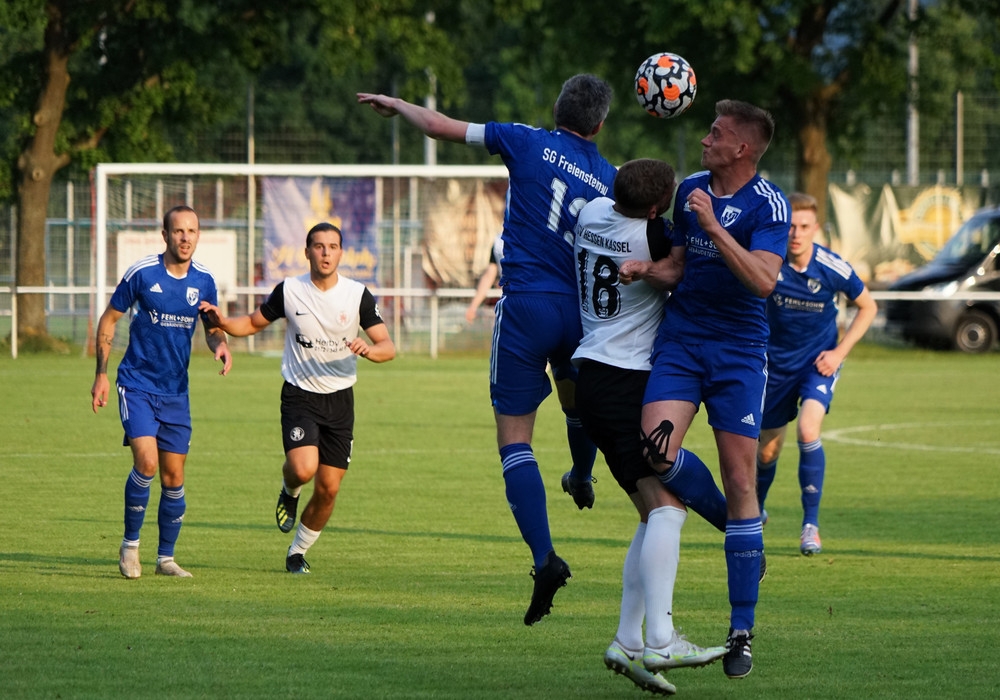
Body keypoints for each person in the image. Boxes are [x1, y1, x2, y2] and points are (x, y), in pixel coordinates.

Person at [359, 74, 616, 625]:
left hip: (525, 308)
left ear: (557, 109)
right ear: (599, 126)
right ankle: (582, 474)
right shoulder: (611, 178)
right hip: (580, 314)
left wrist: (398, 103)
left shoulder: (526, 139)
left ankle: (545, 558)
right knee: (577, 406)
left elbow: (438, 126)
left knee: (515, 441)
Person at [620, 99, 790, 679]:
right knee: (655, 449)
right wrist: (647, 272)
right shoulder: (691, 189)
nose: (704, 139)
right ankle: (736, 528)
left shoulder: (768, 204)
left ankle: (741, 630)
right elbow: (678, 267)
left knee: (742, 478)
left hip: (739, 353)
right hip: (683, 340)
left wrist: (715, 226)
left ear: (742, 148)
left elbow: (764, 281)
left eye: (716, 133)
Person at [573, 159, 727, 695]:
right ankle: (661, 639)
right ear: (659, 207)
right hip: (626, 380)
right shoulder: (654, 237)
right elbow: (680, 270)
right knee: (668, 508)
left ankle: (627, 640)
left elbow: (626, 194)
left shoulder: (591, 211)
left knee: (649, 513)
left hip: (591, 375)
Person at [199, 222, 395, 574]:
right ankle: (289, 489)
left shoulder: (357, 295)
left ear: (341, 253)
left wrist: (369, 349)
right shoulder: (290, 290)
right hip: (300, 395)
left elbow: (387, 346)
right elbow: (253, 323)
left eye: (332, 246)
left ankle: (297, 552)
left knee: (329, 489)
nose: (325, 253)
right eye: (318, 246)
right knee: (303, 469)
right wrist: (223, 322)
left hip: (340, 400)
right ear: (307, 252)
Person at [91, 204, 232, 580]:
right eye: (179, 231)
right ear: (165, 235)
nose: (186, 238)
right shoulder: (142, 273)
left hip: (175, 393)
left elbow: (212, 326)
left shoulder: (204, 280)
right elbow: (109, 319)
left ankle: (165, 559)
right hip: (136, 384)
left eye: (192, 231)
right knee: (147, 463)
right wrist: (101, 374)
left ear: (198, 236)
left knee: (174, 477)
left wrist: (219, 344)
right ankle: (130, 547)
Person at [756, 192, 877, 556]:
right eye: (791, 226)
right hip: (775, 366)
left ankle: (810, 526)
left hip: (817, 364)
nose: (796, 234)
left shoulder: (831, 266)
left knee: (808, 430)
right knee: (767, 452)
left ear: (816, 229)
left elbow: (868, 307)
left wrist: (839, 353)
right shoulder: (768, 262)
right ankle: (755, 509)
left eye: (804, 226)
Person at [464, 233, 504, 323]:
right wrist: (473, 306)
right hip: (511, 298)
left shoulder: (533, 234)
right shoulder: (499, 241)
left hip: (532, 296)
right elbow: (489, 274)